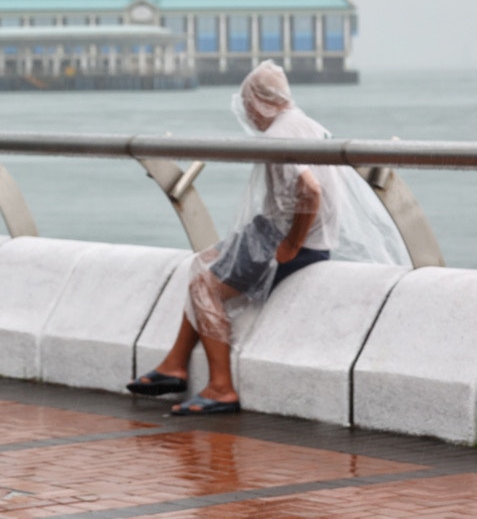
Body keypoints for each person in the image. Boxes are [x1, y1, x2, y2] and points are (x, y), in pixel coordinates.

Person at [127, 60, 344, 415]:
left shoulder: (279, 136)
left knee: (205, 288)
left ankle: (220, 387)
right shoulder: (306, 124)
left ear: (260, 101)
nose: (246, 113)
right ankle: (175, 364)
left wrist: (290, 244)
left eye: (246, 104)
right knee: (203, 265)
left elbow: (311, 190)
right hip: (292, 234)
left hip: (296, 243)